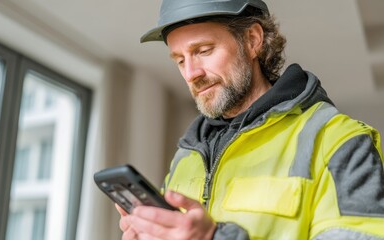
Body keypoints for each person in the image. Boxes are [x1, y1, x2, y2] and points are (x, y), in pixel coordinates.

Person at [116, 0, 384, 239]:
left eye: (204, 50)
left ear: (253, 40)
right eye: (180, 60)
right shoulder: (186, 156)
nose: (191, 74)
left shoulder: (338, 141)